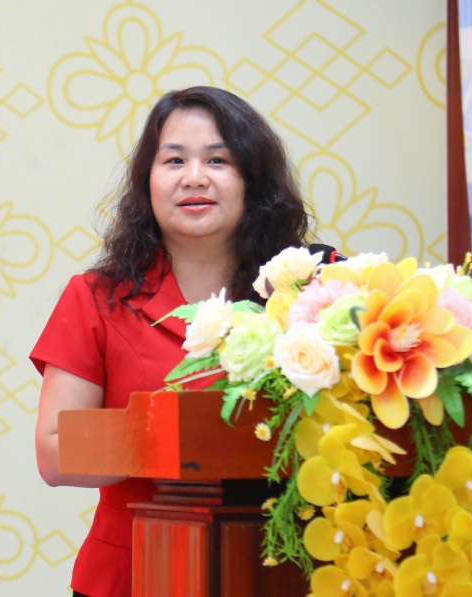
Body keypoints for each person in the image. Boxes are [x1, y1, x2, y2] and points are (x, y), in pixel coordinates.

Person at [30, 86, 313, 597]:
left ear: (254, 180)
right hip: (134, 574)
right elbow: (54, 452)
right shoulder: (96, 298)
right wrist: (181, 439)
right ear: (147, 183)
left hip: (280, 568)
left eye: (219, 160)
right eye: (174, 160)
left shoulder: (307, 296)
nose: (194, 177)